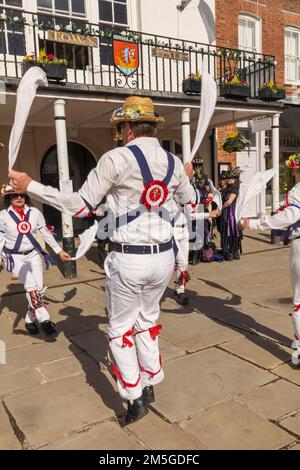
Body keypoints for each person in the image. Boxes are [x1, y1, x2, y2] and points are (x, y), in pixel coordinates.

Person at [8, 96, 202, 425]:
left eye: (120, 128)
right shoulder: (172, 161)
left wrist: (32, 185)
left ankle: (134, 393)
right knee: (147, 319)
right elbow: (193, 201)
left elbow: (79, 205)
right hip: (165, 258)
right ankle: (151, 378)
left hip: (130, 259)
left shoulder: (116, 159)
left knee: (120, 328)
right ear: (152, 127)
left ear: (127, 128)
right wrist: (185, 175)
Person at [240, 153, 300, 365]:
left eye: (294, 168)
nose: (293, 172)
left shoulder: (297, 192)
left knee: (299, 299)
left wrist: (253, 224)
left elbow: (287, 217)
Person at [0, 185, 71, 339]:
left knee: (37, 289)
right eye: (15, 196)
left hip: (33, 255)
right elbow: (0, 239)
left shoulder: (35, 213)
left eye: (22, 195)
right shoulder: (3, 216)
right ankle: (44, 319)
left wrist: (59, 251)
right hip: (15, 257)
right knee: (31, 287)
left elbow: (45, 232)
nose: (19, 198)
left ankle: (29, 319)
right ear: (9, 198)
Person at [219, 167, 243, 261]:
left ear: (235, 179)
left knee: (231, 231)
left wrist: (221, 208)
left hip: (230, 213)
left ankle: (231, 253)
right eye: (228, 178)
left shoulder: (235, 188)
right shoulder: (228, 188)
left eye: (231, 178)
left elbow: (229, 202)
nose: (229, 179)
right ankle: (232, 252)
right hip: (229, 212)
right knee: (229, 232)